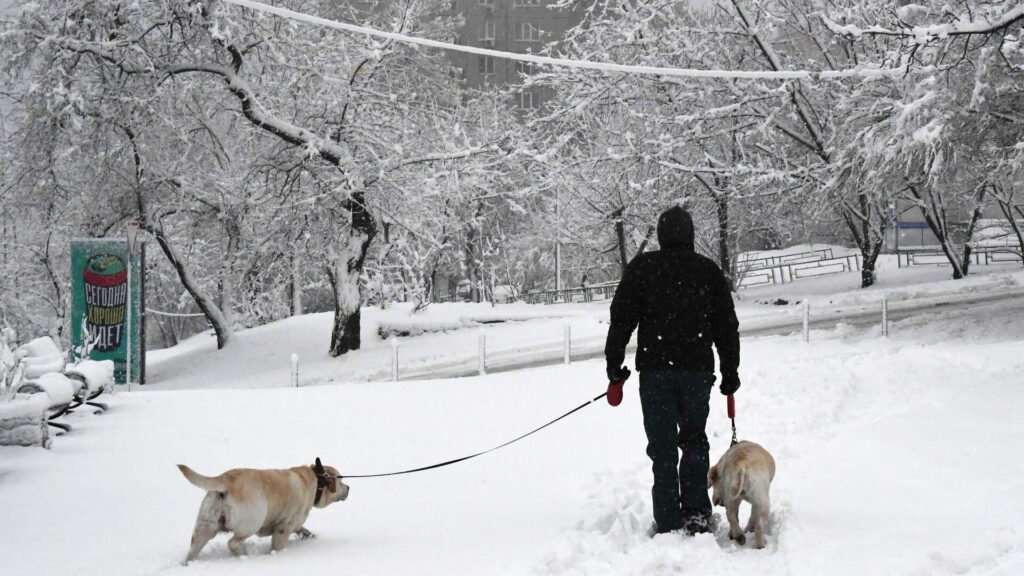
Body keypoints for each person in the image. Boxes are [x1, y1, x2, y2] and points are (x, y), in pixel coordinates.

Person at [604, 205, 740, 536]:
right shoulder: (708, 271)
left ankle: (666, 517)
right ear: (690, 235)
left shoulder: (642, 269)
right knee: (694, 441)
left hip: (654, 372)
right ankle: (695, 512)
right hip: (696, 371)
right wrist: (729, 371)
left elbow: (621, 318)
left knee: (662, 446)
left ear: (662, 235)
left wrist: (614, 365)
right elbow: (726, 326)